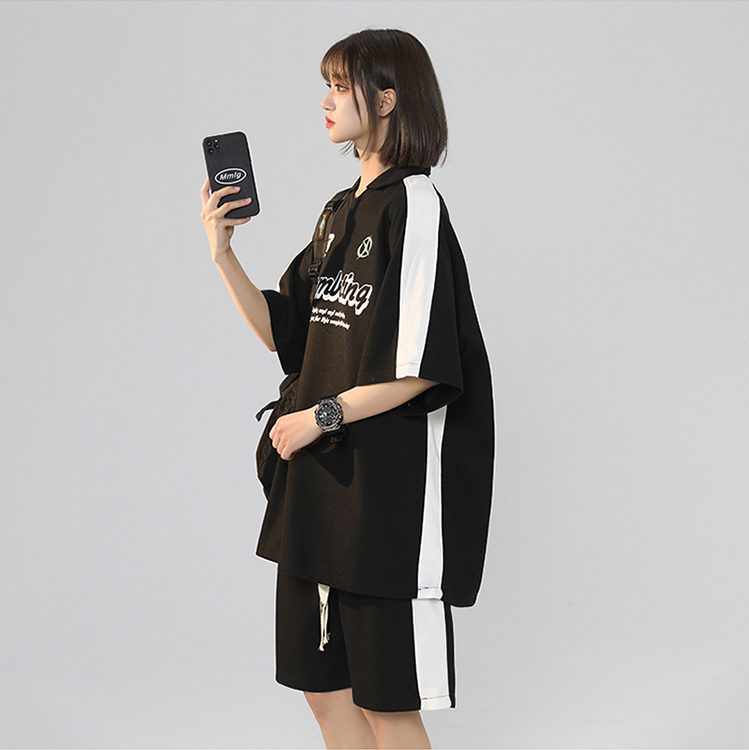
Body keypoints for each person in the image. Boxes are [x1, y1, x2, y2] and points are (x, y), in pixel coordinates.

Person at [200, 28, 494, 750]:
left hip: (382, 503)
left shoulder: (413, 205)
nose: (326, 102)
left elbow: (425, 364)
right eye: (326, 87)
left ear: (386, 100)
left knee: (387, 704)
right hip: (318, 495)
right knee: (323, 692)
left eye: (340, 86)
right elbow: (283, 331)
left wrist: (322, 416)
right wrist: (223, 253)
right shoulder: (339, 210)